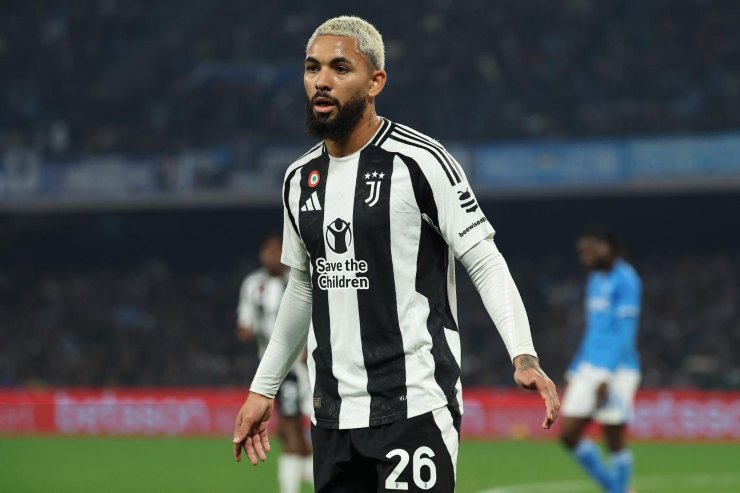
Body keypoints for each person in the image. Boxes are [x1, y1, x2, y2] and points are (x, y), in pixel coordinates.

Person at [233, 15, 560, 492]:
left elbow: (484, 259)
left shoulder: (420, 162)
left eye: (340, 68)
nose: (322, 81)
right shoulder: (299, 180)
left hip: (414, 408)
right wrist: (263, 388)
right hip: (332, 417)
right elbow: (303, 286)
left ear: (375, 82)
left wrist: (523, 355)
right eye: (312, 68)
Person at [560, 225, 642, 493]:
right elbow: (593, 330)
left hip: (619, 368)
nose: (585, 258)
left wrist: (607, 374)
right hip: (589, 365)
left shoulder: (627, 279)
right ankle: (615, 489)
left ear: (609, 249)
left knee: (613, 437)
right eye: (582, 253)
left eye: (590, 251)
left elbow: (625, 332)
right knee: (568, 434)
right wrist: (574, 370)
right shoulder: (595, 281)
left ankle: (617, 490)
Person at [236, 234, 313, 493]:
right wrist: (247, 328)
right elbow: (244, 324)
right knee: (289, 429)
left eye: (275, 251)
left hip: (299, 368)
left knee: (294, 428)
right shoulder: (252, 285)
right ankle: (307, 477)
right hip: (271, 369)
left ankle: (301, 480)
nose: (270, 256)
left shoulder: (298, 281)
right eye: (266, 251)